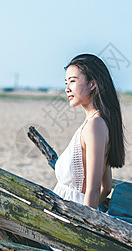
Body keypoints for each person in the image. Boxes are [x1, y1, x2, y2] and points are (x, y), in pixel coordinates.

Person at [53, 54, 125, 209]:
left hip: (72, 217)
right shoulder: (96, 123)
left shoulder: (95, 126)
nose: (67, 89)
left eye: (72, 81)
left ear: (92, 84)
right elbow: (105, 188)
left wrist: (83, 221)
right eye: (66, 82)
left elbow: (93, 190)